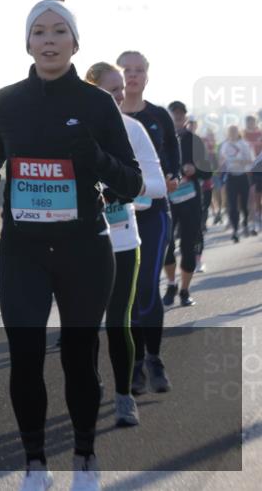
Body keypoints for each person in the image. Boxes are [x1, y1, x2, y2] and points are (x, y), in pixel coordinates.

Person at [0, 0, 142, 491]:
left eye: (59, 32)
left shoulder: (96, 105)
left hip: (84, 248)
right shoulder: (6, 101)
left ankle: (86, 456)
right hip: (22, 249)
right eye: (38, 32)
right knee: (24, 356)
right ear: (27, 44)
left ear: (75, 44)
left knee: (78, 355)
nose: (48, 41)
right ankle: (34, 464)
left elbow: (130, 183)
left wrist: (93, 157)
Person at [85, 62, 166, 427]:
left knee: (119, 322)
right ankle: (92, 386)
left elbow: (159, 185)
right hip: (80, 242)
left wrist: (125, 188)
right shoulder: (75, 129)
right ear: (91, 91)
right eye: (111, 90)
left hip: (122, 239)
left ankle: (123, 395)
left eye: (121, 89)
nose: (120, 95)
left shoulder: (132, 129)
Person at [117, 49, 179, 396]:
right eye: (126, 70)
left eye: (138, 70)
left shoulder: (157, 117)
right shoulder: (101, 118)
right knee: (123, 293)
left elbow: (172, 153)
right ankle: (135, 362)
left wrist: (169, 176)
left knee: (145, 287)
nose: (132, 76)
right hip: (117, 216)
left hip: (153, 211)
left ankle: (153, 358)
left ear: (146, 76)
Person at [162, 101, 210, 306]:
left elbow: (208, 171)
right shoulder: (160, 139)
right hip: (167, 200)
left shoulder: (194, 140)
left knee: (189, 245)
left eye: (181, 115)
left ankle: (185, 290)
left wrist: (194, 170)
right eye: (174, 115)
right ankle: (171, 284)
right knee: (167, 245)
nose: (178, 118)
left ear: (185, 118)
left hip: (190, 199)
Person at [218, 125, 254, 242]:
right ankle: (235, 230)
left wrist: (240, 161)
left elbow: (250, 160)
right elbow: (221, 160)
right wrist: (221, 165)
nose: (232, 133)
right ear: (228, 133)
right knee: (232, 205)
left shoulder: (244, 144)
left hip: (243, 177)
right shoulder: (225, 145)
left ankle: (245, 223)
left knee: (244, 204)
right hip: (230, 177)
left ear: (238, 132)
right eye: (230, 131)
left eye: (234, 131)